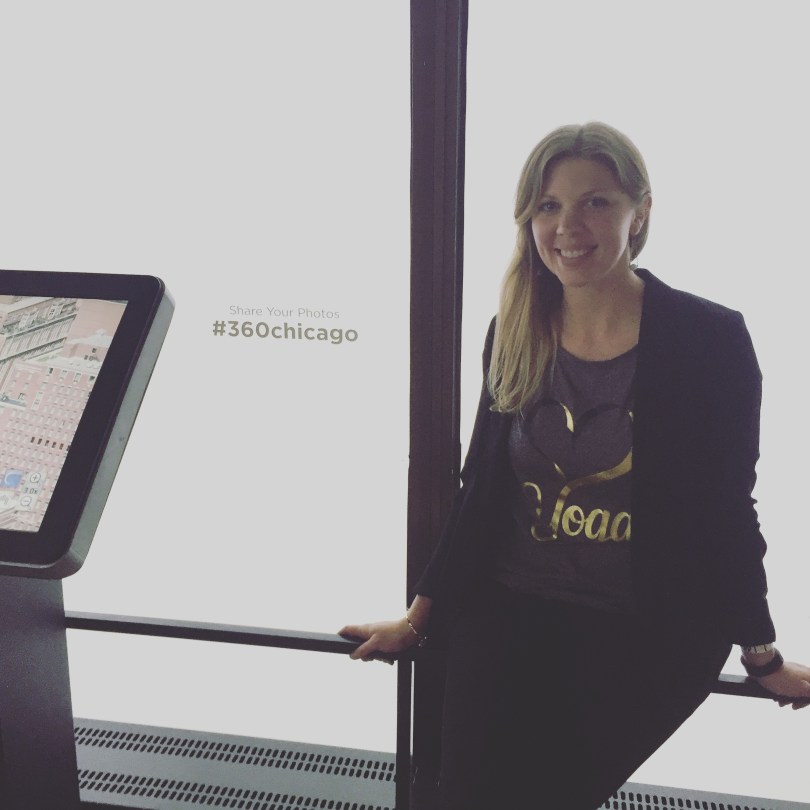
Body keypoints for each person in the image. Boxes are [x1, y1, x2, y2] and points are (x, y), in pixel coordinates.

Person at [340, 122, 810, 810]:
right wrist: (418, 618)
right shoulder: (515, 329)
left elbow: (727, 509)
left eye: (596, 202)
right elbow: (481, 492)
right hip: (509, 612)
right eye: (548, 206)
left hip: (645, 633)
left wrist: (760, 655)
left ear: (639, 212)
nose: (568, 226)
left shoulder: (709, 339)